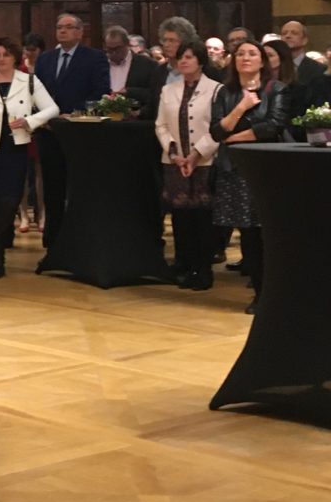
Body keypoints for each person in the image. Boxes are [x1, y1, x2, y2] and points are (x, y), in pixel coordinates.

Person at [0, 38, 58, 279]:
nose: (1, 59)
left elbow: (52, 109)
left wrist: (30, 121)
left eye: (6, 54)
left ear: (15, 57)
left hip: (14, 149)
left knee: (8, 203)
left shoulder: (28, 81)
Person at [210, 39, 290, 314]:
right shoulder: (226, 92)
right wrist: (242, 107)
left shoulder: (276, 89)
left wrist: (233, 137)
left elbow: (273, 126)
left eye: (252, 53)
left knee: (267, 233)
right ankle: (259, 293)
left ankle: (274, 293)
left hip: (265, 169)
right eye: (240, 54)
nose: (245, 57)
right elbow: (216, 131)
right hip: (234, 170)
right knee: (248, 234)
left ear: (262, 61)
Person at [34, 14, 109, 249]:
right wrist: (44, 115)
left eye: (68, 27)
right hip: (49, 132)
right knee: (52, 188)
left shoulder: (94, 58)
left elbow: (100, 93)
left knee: (79, 188)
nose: (62, 31)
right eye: (59, 27)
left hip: (80, 133)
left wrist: (74, 114)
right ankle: (53, 238)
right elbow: (35, 91)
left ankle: (80, 239)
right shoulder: (45, 59)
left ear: (80, 32)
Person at [154, 40, 222, 291]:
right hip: (175, 161)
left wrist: (196, 154)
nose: (183, 61)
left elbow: (218, 127)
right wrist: (174, 153)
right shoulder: (168, 90)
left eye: (190, 57)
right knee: (180, 216)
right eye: (181, 57)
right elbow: (161, 125)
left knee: (202, 217)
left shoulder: (216, 90)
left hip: (204, 161)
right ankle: (183, 263)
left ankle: (202, 269)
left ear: (201, 61)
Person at [103, 24, 161, 117]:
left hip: (135, 120)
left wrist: (129, 92)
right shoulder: (101, 65)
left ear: (127, 44)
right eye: (109, 49)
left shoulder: (148, 65)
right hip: (104, 119)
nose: (113, 53)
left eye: (117, 49)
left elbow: (155, 95)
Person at [279, 19, 325, 87]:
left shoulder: (319, 69)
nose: (288, 36)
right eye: (284, 33)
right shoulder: (273, 67)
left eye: (294, 33)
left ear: (304, 40)